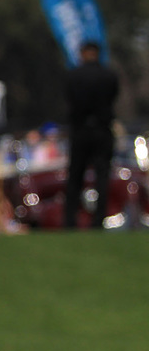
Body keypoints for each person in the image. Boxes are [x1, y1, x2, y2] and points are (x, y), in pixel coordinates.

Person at [63, 41, 119, 229]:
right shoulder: (109, 76)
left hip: (80, 131)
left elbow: (70, 100)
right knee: (102, 177)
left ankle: (70, 220)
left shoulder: (73, 76)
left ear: (83, 53)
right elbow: (112, 98)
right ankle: (98, 220)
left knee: (75, 177)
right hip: (102, 130)